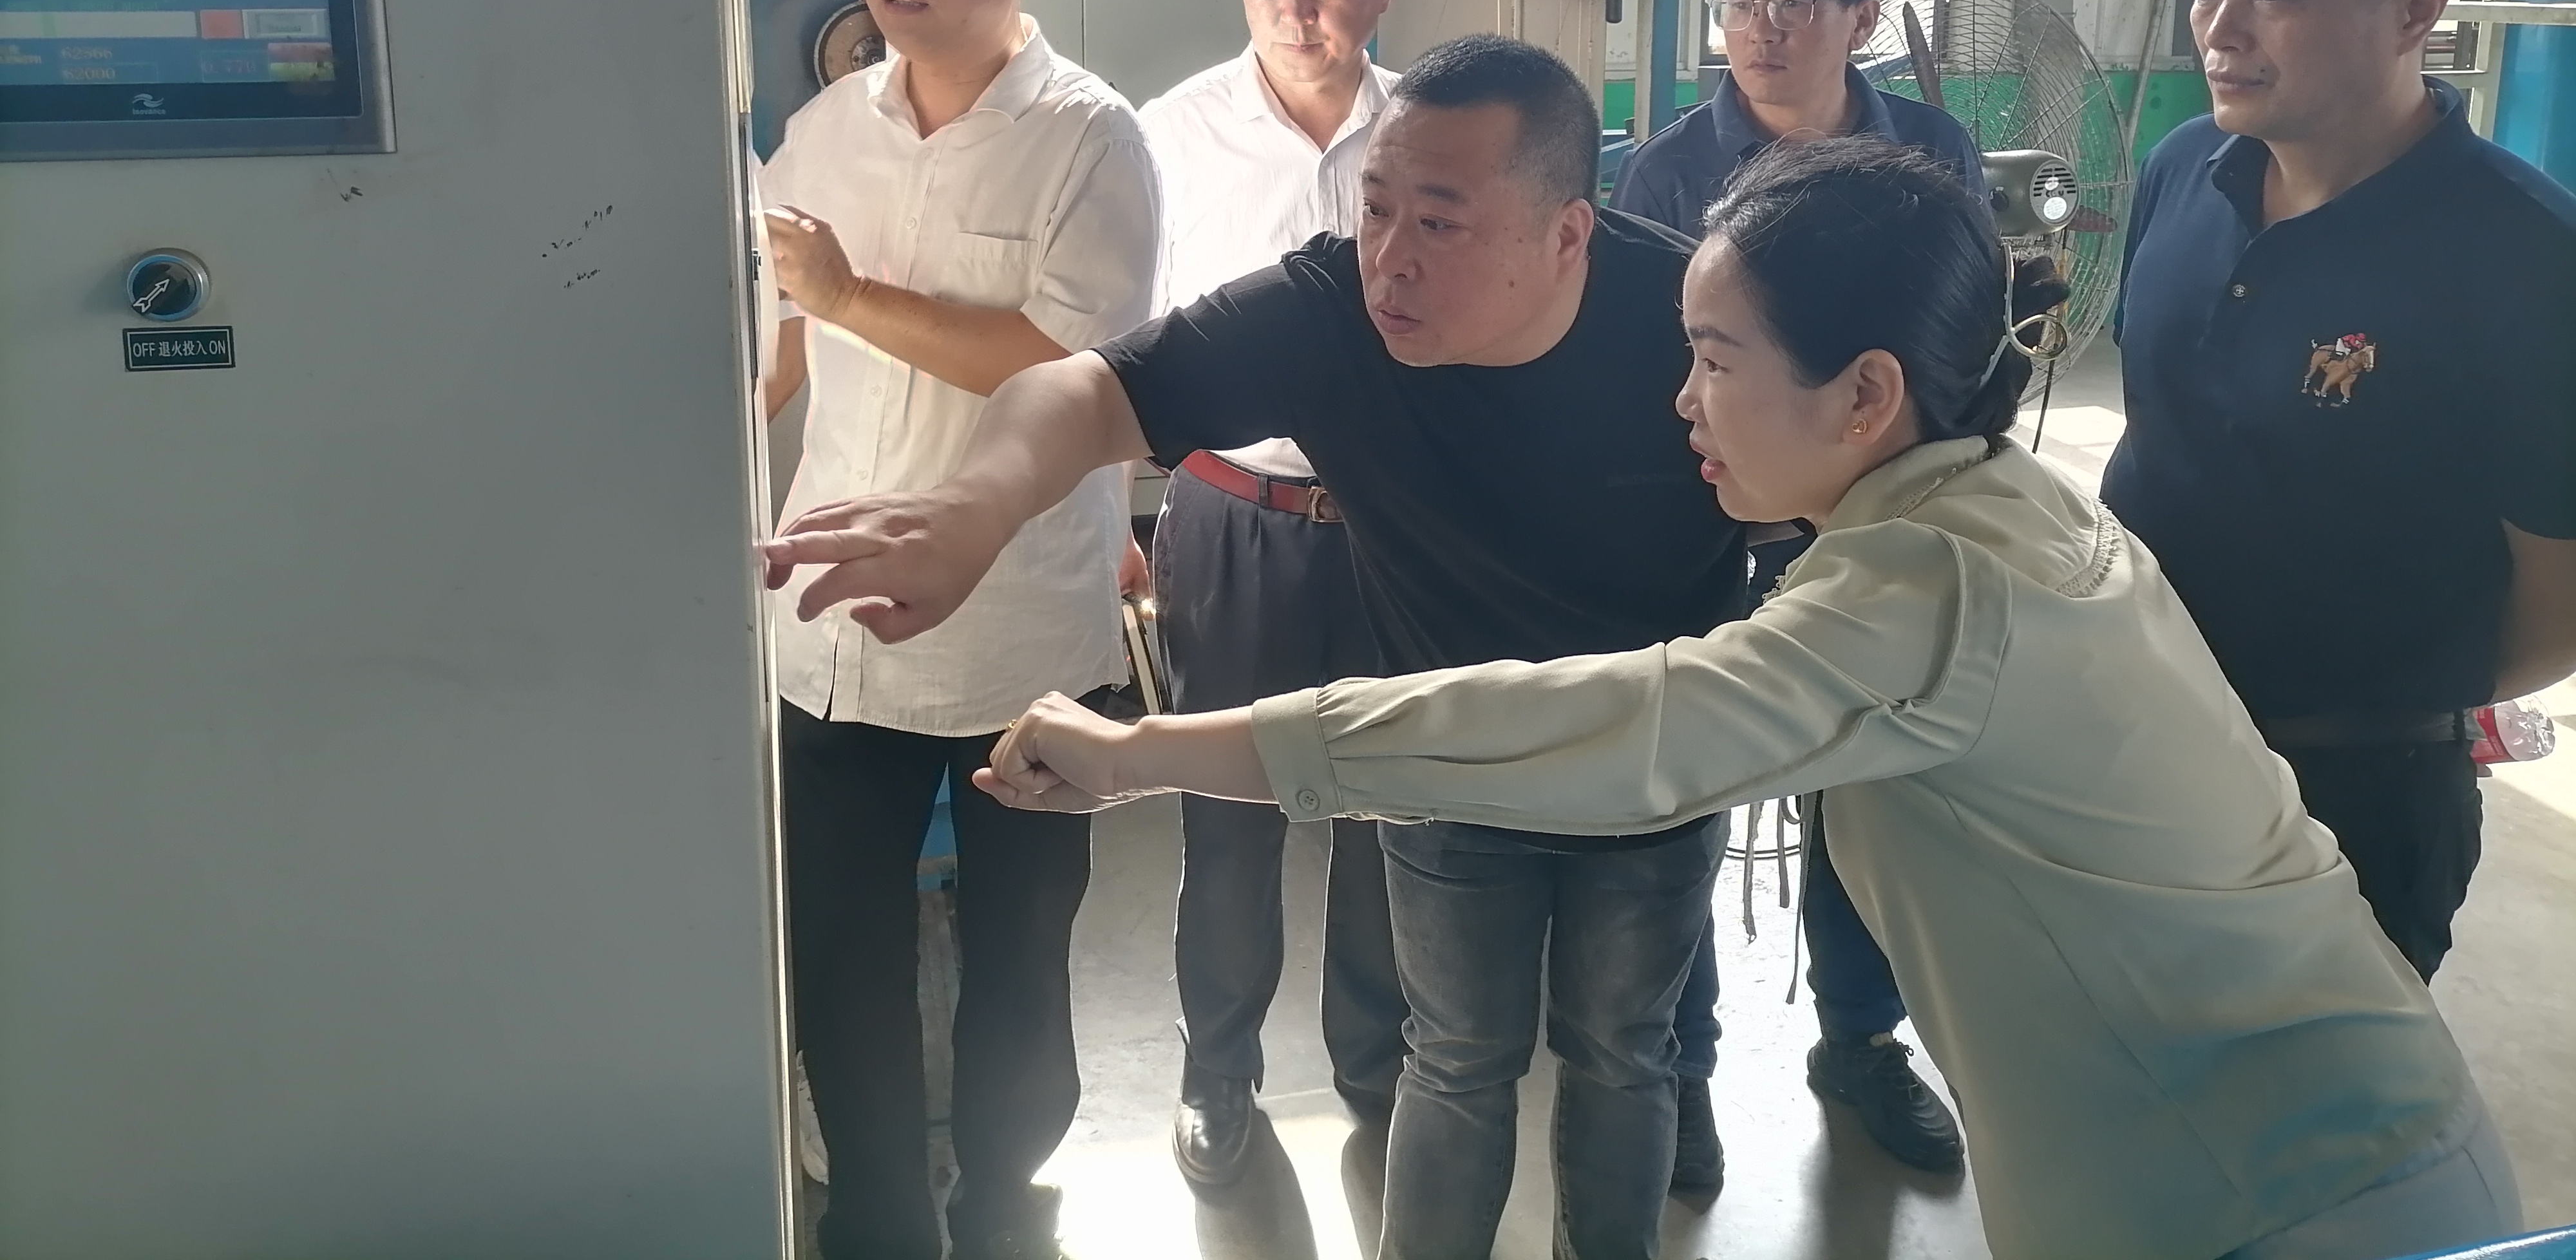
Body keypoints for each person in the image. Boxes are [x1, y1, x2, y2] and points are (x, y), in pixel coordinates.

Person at [977, 139, 2521, 1260]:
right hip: (2304, 1146)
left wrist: (1144, 753)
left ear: (1863, 393)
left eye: (1713, 361)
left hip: (2283, 1195)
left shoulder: (1927, 592)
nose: (1680, 400)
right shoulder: (2002, 504)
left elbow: (1605, 730)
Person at [764, 35, 1748, 1260]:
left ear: (1568, 235)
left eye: (1441, 223)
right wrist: (975, 508)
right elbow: (1087, 389)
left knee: (1623, 1050)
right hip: (1448, 759)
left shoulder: (1697, 325)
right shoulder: (1333, 312)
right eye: (1377, 207)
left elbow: (1841, 491)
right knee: (1456, 1056)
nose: (1391, 257)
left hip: (1653, 756)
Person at [758, 0, 1160, 1260]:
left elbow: (1069, 367)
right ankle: (876, 1219)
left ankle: (1003, 1214)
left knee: (1019, 959)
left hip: (1023, 637)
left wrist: (850, 299)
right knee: (840, 957)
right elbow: (774, 349)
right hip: (833, 636)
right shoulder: (820, 132)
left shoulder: (1087, 138)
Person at [2105, 0, 2576, 981]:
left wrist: (2380, 701)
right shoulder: (2184, 171)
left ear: (2416, 9)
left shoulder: (2524, 256)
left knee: (2307, 1092)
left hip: (2352, 802)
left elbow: (2560, 598)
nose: (2220, 32)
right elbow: (2158, 429)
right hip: (2127, 745)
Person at [1611, 0, 1978, 1179]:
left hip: (1880, 522)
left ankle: (1860, 1041)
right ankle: (1682, 1063)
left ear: (1860, 17)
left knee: (1870, 789)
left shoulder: (1928, 151)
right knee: (1689, 785)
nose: (1759, 28)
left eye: (1792, 1)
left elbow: (1949, 350)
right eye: (1738, 2)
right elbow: (1650, 370)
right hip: (1711, 523)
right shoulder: (1668, 172)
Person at [1135, 0, 1408, 1186]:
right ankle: (1216, 1076)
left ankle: (1379, 1068)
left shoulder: (1428, 133)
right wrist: (1106, 515)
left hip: (1399, 525)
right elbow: (1120, 344)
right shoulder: (1168, 136)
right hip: (1232, 513)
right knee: (1226, 813)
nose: (1298, 8)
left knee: (1390, 805)